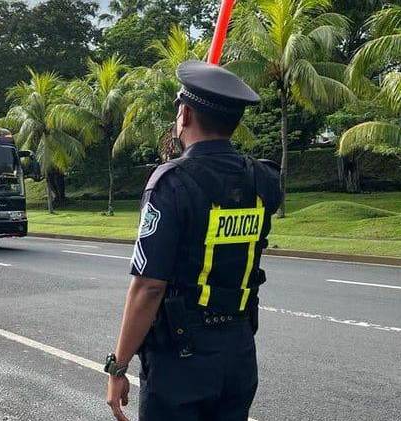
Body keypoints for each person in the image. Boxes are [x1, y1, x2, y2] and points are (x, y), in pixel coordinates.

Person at [104, 60, 282, 421]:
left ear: (183, 114)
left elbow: (149, 287)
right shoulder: (262, 179)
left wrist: (118, 366)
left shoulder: (170, 183)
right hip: (238, 353)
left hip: (180, 360)